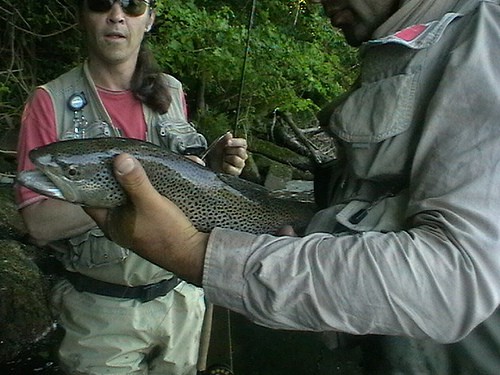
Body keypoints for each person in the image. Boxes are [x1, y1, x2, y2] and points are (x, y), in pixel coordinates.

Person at [85, 0, 500, 374]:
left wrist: (197, 254)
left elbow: (454, 278)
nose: (320, 6)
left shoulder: (487, 37)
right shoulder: (413, 46)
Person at [15, 0, 247, 374]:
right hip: (99, 315)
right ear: (82, 16)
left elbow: (185, 190)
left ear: (150, 18)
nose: (117, 15)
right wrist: (133, 191)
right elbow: (39, 224)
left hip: (182, 298)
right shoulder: (49, 102)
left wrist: (212, 172)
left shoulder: (171, 90)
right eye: (99, 4)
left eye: (133, 5)